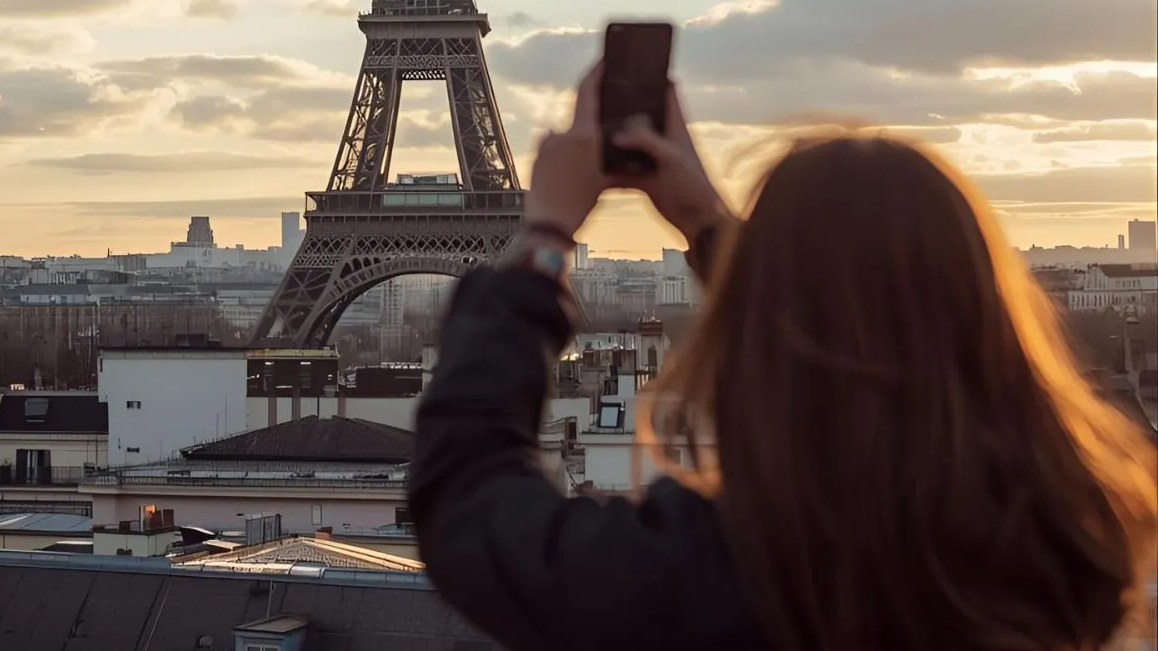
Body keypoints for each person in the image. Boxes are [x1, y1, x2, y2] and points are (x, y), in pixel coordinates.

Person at [407, 62, 1158, 651]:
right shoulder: (1072, 533)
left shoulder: (718, 575)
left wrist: (543, 240)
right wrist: (708, 222)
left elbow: (468, 499)